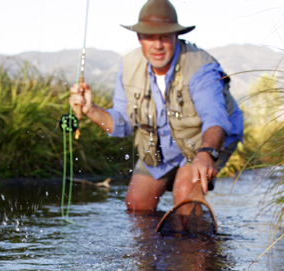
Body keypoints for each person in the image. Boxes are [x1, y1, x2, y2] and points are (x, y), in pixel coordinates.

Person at [69, 0, 243, 213]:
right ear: (139, 38)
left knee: (184, 195)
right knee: (136, 204)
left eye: (164, 37)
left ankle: (193, 244)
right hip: (161, 146)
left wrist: (207, 152)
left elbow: (215, 119)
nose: (157, 45)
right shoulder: (130, 66)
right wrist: (90, 110)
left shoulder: (200, 67)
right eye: (150, 37)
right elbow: (122, 123)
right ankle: (154, 246)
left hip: (206, 141)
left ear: (176, 37)